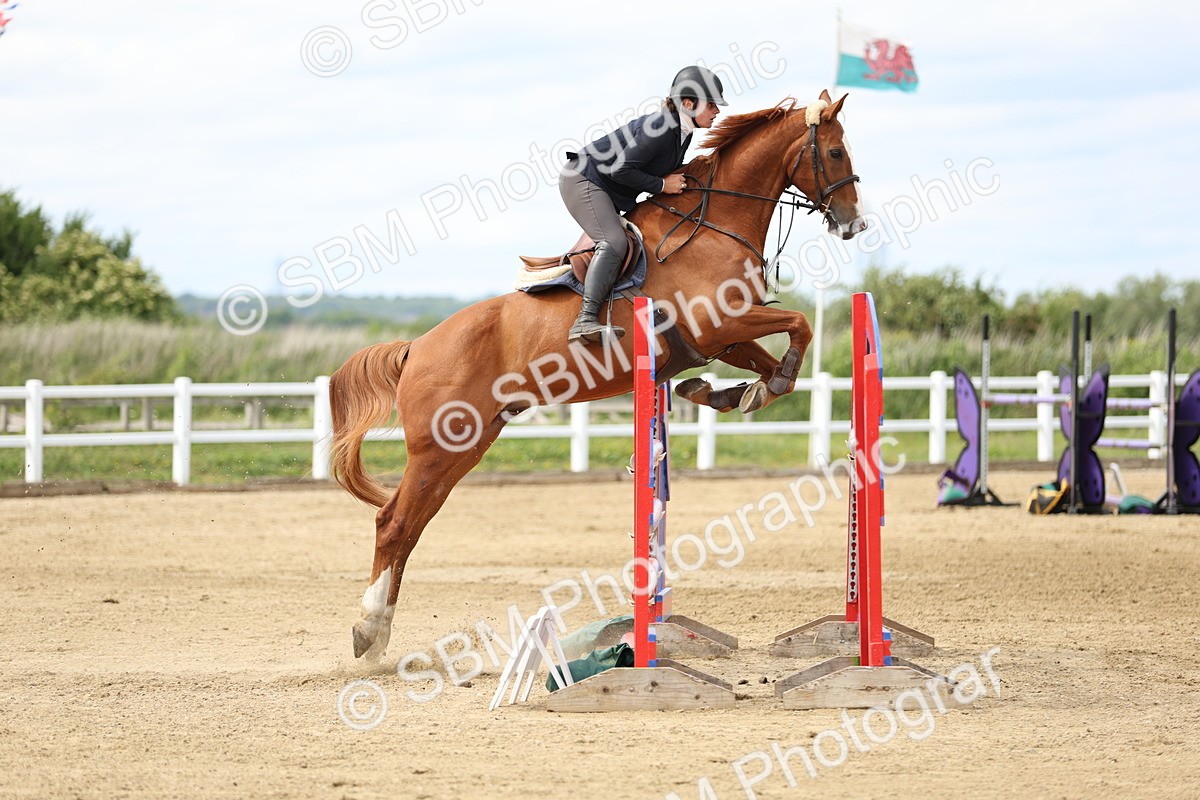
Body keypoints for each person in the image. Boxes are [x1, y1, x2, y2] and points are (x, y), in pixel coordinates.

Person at [559, 65, 727, 344]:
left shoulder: (682, 132)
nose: (717, 111)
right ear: (688, 103)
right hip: (584, 180)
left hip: (607, 187)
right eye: (711, 105)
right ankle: (584, 320)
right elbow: (621, 169)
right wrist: (663, 185)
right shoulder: (663, 127)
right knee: (614, 243)